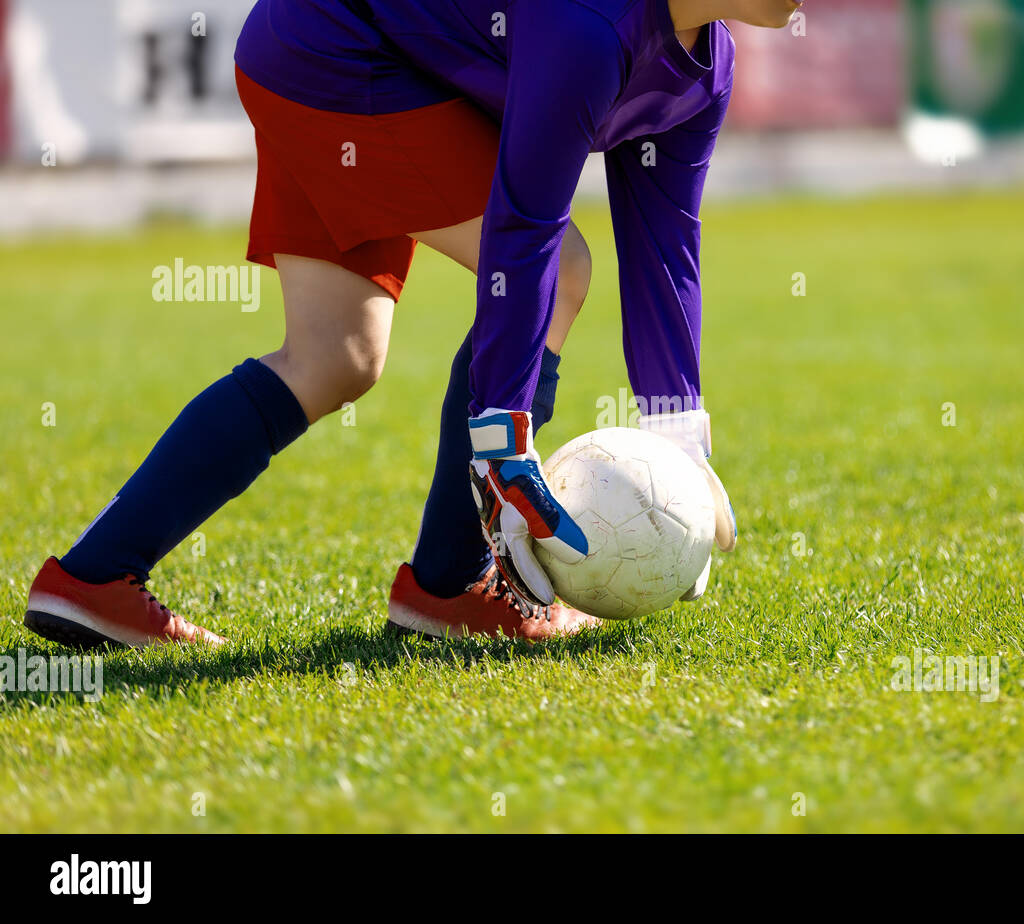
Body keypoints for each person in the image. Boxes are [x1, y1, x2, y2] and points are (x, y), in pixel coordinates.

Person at [22, 0, 800, 648]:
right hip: (332, 49)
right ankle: (453, 588)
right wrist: (501, 443)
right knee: (562, 271)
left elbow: (666, 250)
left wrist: (681, 443)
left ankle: (93, 578)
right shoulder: (589, 25)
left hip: (335, 48)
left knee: (336, 356)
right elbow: (524, 234)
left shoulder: (711, 69)